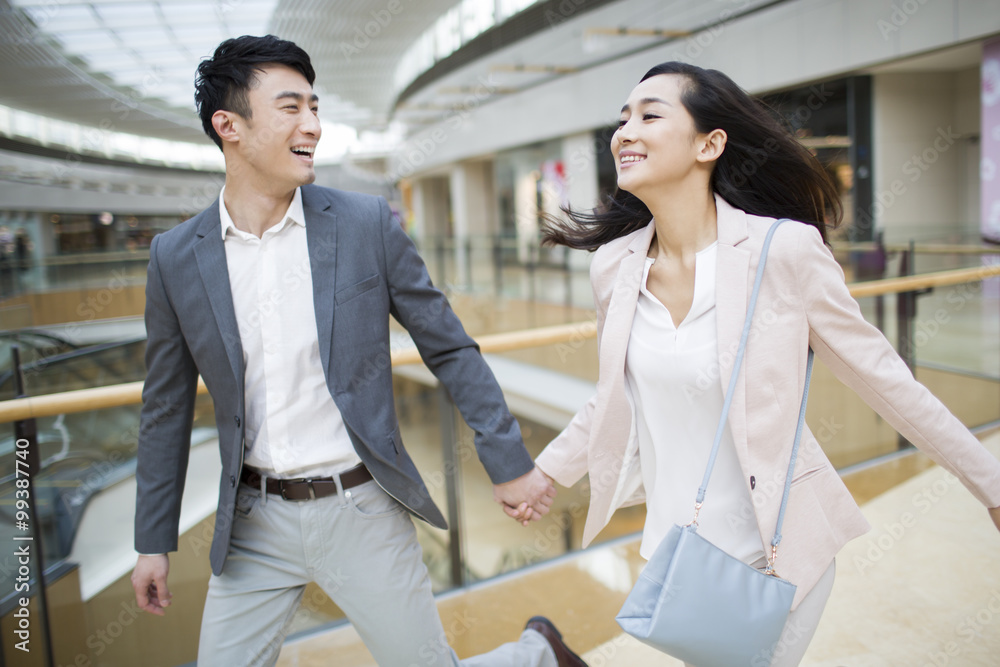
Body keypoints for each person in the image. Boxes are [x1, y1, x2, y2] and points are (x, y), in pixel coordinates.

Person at [515, 62, 1000, 666]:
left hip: (775, 557)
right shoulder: (614, 267)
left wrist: (990, 483)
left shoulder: (782, 251)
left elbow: (884, 379)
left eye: (649, 115)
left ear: (709, 144)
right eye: (621, 120)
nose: (625, 132)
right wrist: (549, 471)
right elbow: (615, 394)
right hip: (683, 557)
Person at [130, 34, 586, 667]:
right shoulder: (176, 256)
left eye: (315, 107)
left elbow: (449, 347)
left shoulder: (365, 224)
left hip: (362, 508)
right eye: (290, 108)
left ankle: (536, 654)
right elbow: (165, 406)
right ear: (228, 125)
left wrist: (507, 459)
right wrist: (152, 539)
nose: (313, 126)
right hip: (253, 526)